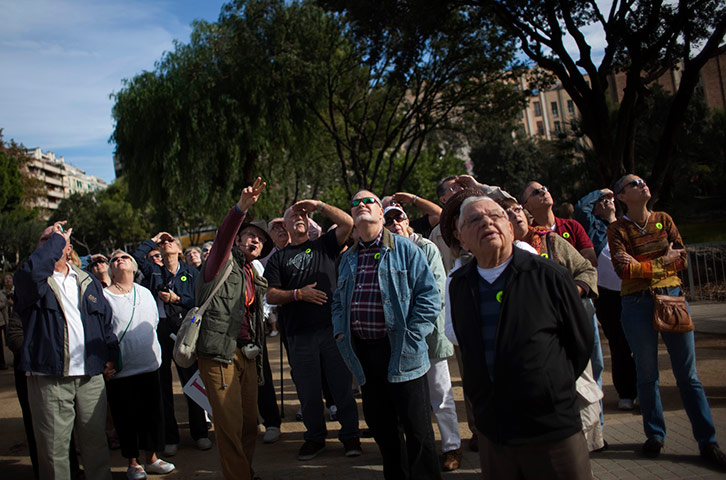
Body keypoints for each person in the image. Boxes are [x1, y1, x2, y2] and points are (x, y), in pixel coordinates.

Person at [449, 196, 594, 479]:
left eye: (495, 215)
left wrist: (549, 387)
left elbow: (579, 343)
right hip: (495, 431)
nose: (487, 222)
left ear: (512, 226)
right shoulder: (459, 286)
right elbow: (468, 348)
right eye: (475, 220)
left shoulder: (548, 275)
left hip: (551, 428)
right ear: (461, 238)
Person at [608, 174, 726, 469]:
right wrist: (662, 262)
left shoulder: (663, 218)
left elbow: (682, 259)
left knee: (689, 376)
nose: (642, 184)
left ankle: (708, 441)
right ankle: (655, 436)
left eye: (643, 181)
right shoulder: (618, 229)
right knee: (647, 375)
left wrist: (644, 266)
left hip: (672, 298)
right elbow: (624, 270)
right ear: (621, 197)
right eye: (633, 184)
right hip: (636, 305)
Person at [333, 190, 442, 480]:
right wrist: (341, 334)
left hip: (402, 352)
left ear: (381, 213)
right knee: (383, 430)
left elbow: (429, 296)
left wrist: (414, 335)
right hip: (364, 356)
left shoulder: (407, 249)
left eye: (369, 201)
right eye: (355, 203)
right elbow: (337, 302)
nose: (361, 205)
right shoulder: (347, 259)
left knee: (417, 431)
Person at [14, 220, 118, 480]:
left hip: (90, 377)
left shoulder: (87, 281)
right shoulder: (33, 280)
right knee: (54, 451)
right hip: (50, 377)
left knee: (96, 445)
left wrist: (110, 355)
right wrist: (57, 240)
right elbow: (29, 273)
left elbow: (104, 323)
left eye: (59, 238)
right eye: (46, 240)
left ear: (69, 247)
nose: (53, 242)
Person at [265, 197, 361, 461]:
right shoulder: (278, 259)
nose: (299, 219)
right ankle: (315, 438)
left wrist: (318, 205)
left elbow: (347, 222)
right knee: (308, 393)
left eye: (303, 216)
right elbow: (271, 295)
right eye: (293, 216)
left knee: (342, 388)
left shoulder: (324, 245)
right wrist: (298, 294)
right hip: (299, 336)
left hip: (332, 331)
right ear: (283, 226)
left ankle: (350, 436)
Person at [195, 178, 271, 480]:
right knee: (228, 426)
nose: (253, 241)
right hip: (219, 355)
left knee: (249, 424)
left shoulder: (253, 274)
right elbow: (224, 236)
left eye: (259, 240)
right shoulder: (220, 263)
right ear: (238, 241)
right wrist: (241, 208)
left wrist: (297, 294)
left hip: (247, 355)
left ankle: (244, 471)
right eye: (248, 236)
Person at [383, 204, 461, 470]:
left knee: (441, 395)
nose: (395, 223)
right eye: (389, 219)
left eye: (399, 217)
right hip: (398, 341)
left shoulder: (426, 248)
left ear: (408, 221)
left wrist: (414, 326)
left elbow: (436, 292)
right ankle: (416, 450)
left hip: (428, 336)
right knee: (408, 401)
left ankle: (452, 447)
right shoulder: (384, 252)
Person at [132, 232, 210, 455]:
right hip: (160, 330)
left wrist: (177, 299)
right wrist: (154, 240)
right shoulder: (154, 269)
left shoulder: (191, 273)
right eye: (162, 243)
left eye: (170, 241)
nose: (166, 244)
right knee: (162, 385)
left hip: (184, 329)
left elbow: (199, 302)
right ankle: (169, 436)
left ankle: (200, 432)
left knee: (191, 380)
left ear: (179, 250)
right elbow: (137, 256)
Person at [103, 250, 174, 480]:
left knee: (151, 415)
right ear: (111, 269)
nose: (119, 260)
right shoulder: (104, 296)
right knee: (126, 418)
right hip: (122, 371)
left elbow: (152, 322)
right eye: (114, 259)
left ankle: (152, 458)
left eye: (124, 257)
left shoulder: (145, 293)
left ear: (134, 268)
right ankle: (133, 463)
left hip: (149, 365)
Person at [576, 188, 638, 410]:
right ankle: (627, 392)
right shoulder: (594, 228)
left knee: (639, 343)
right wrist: (600, 192)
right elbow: (580, 207)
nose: (607, 202)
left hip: (634, 289)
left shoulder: (627, 225)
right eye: (602, 201)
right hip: (607, 295)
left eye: (610, 199)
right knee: (618, 343)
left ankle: (644, 391)